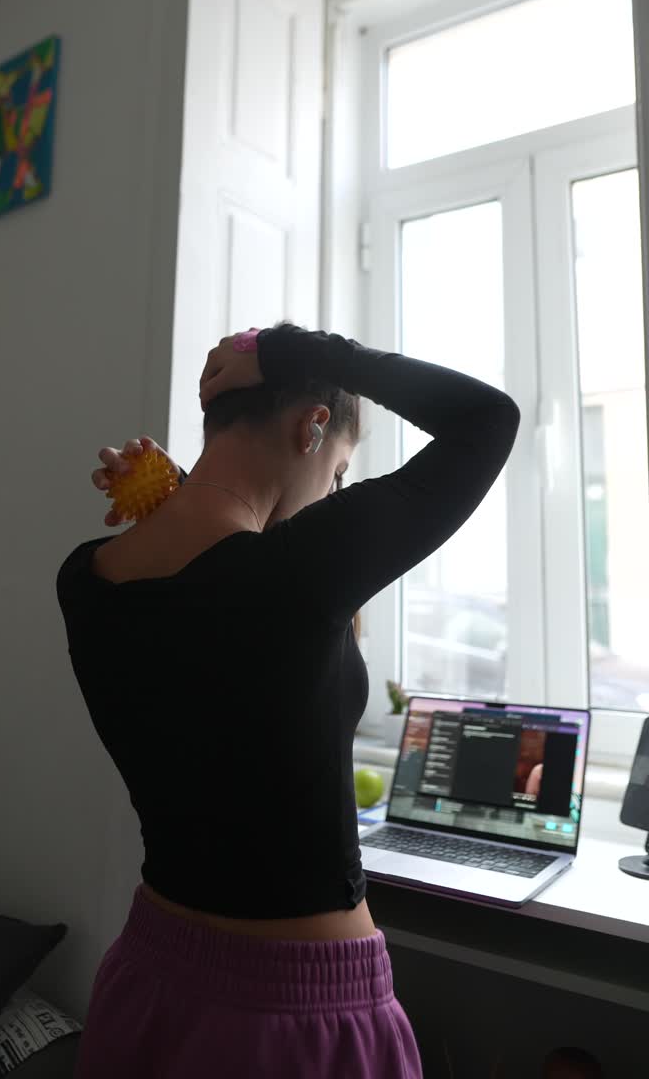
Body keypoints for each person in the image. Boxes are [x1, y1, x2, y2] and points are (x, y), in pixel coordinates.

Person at [56, 322, 520, 1078]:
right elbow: (487, 418)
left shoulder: (84, 578)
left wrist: (170, 497)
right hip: (298, 1017)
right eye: (339, 471)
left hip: (144, 983)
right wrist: (317, 354)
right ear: (312, 427)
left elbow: (209, 630)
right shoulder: (298, 576)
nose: (334, 493)